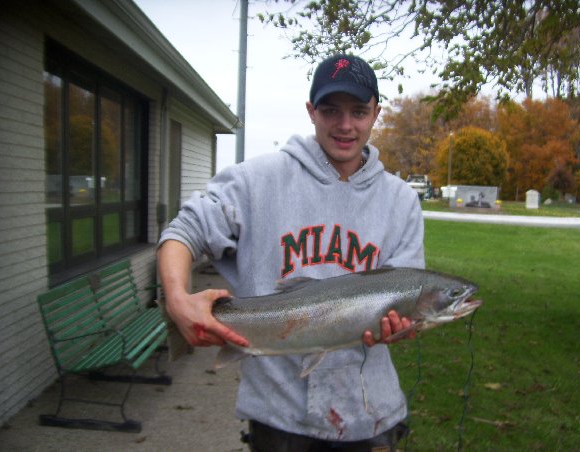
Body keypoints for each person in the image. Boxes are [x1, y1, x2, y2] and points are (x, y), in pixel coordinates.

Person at [157, 54, 425, 451]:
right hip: (277, 413)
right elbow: (184, 230)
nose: (345, 125)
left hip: (369, 412)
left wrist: (403, 325)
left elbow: (407, 294)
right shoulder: (256, 180)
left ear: (376, 114)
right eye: (331, 110)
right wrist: (177, 299)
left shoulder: (401, 201)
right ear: (311, 111)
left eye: (358, 111)